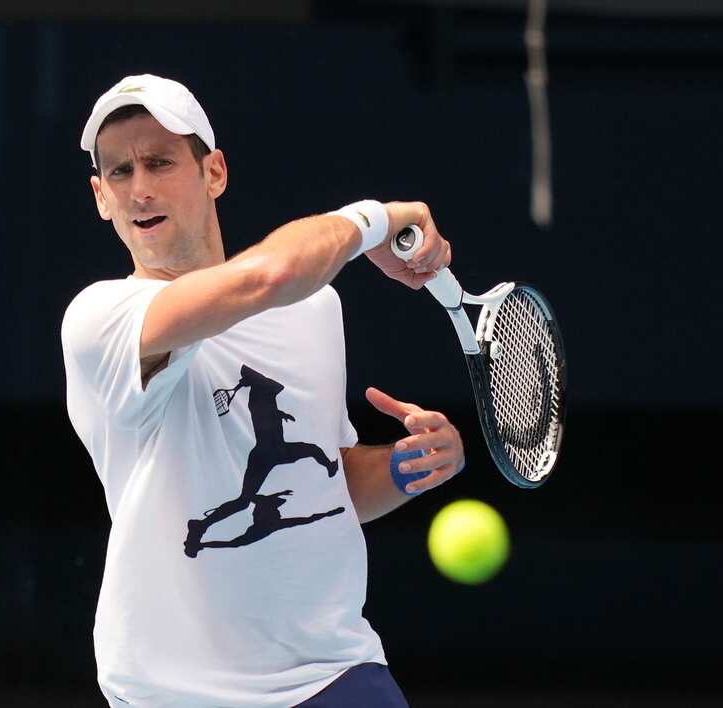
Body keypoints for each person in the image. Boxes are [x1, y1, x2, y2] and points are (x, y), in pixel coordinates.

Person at [62, 73, 466, 707]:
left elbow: (332, 483)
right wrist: (375, 220)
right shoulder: (102, 318)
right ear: (100, 197)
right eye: (119, 172)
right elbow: (269, 275)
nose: (139, 189)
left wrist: (406, 464)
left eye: (160, 162)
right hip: (177, 694)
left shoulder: (316, 309)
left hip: (335, 673)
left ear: (214, 172)